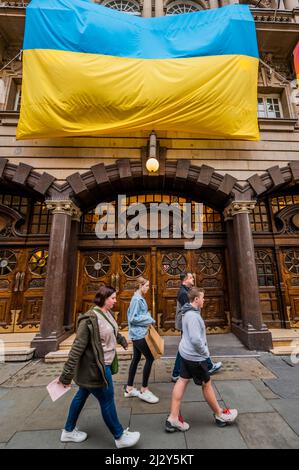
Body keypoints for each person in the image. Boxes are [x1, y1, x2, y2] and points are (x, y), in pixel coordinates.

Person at [58, 285, 140, 448]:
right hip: (96, 369)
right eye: (113, 298)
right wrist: (66, 375)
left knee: (81, 395)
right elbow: (77, 347)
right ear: (103, 298)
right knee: (107, 400)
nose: (116, 301)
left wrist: (121, 340)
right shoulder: (89, 319)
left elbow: (112, 331)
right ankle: (119, 436)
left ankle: (68, 431)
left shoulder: (107, 313)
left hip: (103, 365)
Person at [166, 287, 238, 432]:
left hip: (185, 353)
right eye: (203, 297)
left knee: (182, 380)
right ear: (196, 299)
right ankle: (219, 414)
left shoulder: (187, 312)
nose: (204, 300)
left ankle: (173, 418)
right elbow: (195, 339)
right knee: (207, 384)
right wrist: (205, 352)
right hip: (195, 357)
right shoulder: (193, 316)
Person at [171, 272, 222, 382]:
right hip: (188, 325)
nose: (193, 279)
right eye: (191, 277)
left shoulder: (185, 291)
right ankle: (177, 373)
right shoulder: (183, 293)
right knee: (188, 345)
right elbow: (188, 309)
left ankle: (178, 373)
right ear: (185, 280)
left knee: (185, 346)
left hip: (188, 324)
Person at [124, 277, 159, 404]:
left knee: (136, 358)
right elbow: (133, 318)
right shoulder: (137, 299)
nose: (149, 288)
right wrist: (149, 319)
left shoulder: (138, 298)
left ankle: (129, 388)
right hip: (138, 335)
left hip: (137, 334)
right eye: (147, 286)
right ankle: (144, 389)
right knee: (150, 358)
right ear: (140, 286)